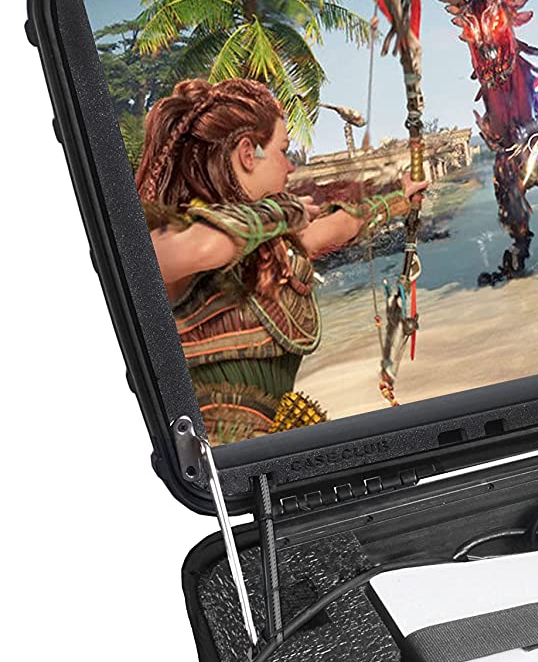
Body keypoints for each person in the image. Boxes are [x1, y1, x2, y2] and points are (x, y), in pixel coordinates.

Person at [136, 78, 426, 443]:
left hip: (274, 437)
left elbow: (330, 229)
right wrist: (282, 212)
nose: (289, 167)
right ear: (248, 153)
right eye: (283, 151)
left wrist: (398, 198)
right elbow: (198, 249)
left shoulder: (267, 241)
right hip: (213, 449)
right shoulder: (169, 237)